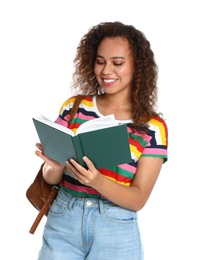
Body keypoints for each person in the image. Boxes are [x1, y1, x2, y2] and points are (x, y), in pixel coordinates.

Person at [35, 21, 168, 260]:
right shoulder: (74, 108)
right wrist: (53, 166)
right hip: (64, 219)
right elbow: (50, 178)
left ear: (137, 67)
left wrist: (98, 181)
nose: (106, 71)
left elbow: (139, 198)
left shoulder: (152, 127)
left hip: (115, 228)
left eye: (117, 63)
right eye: (100, 61)